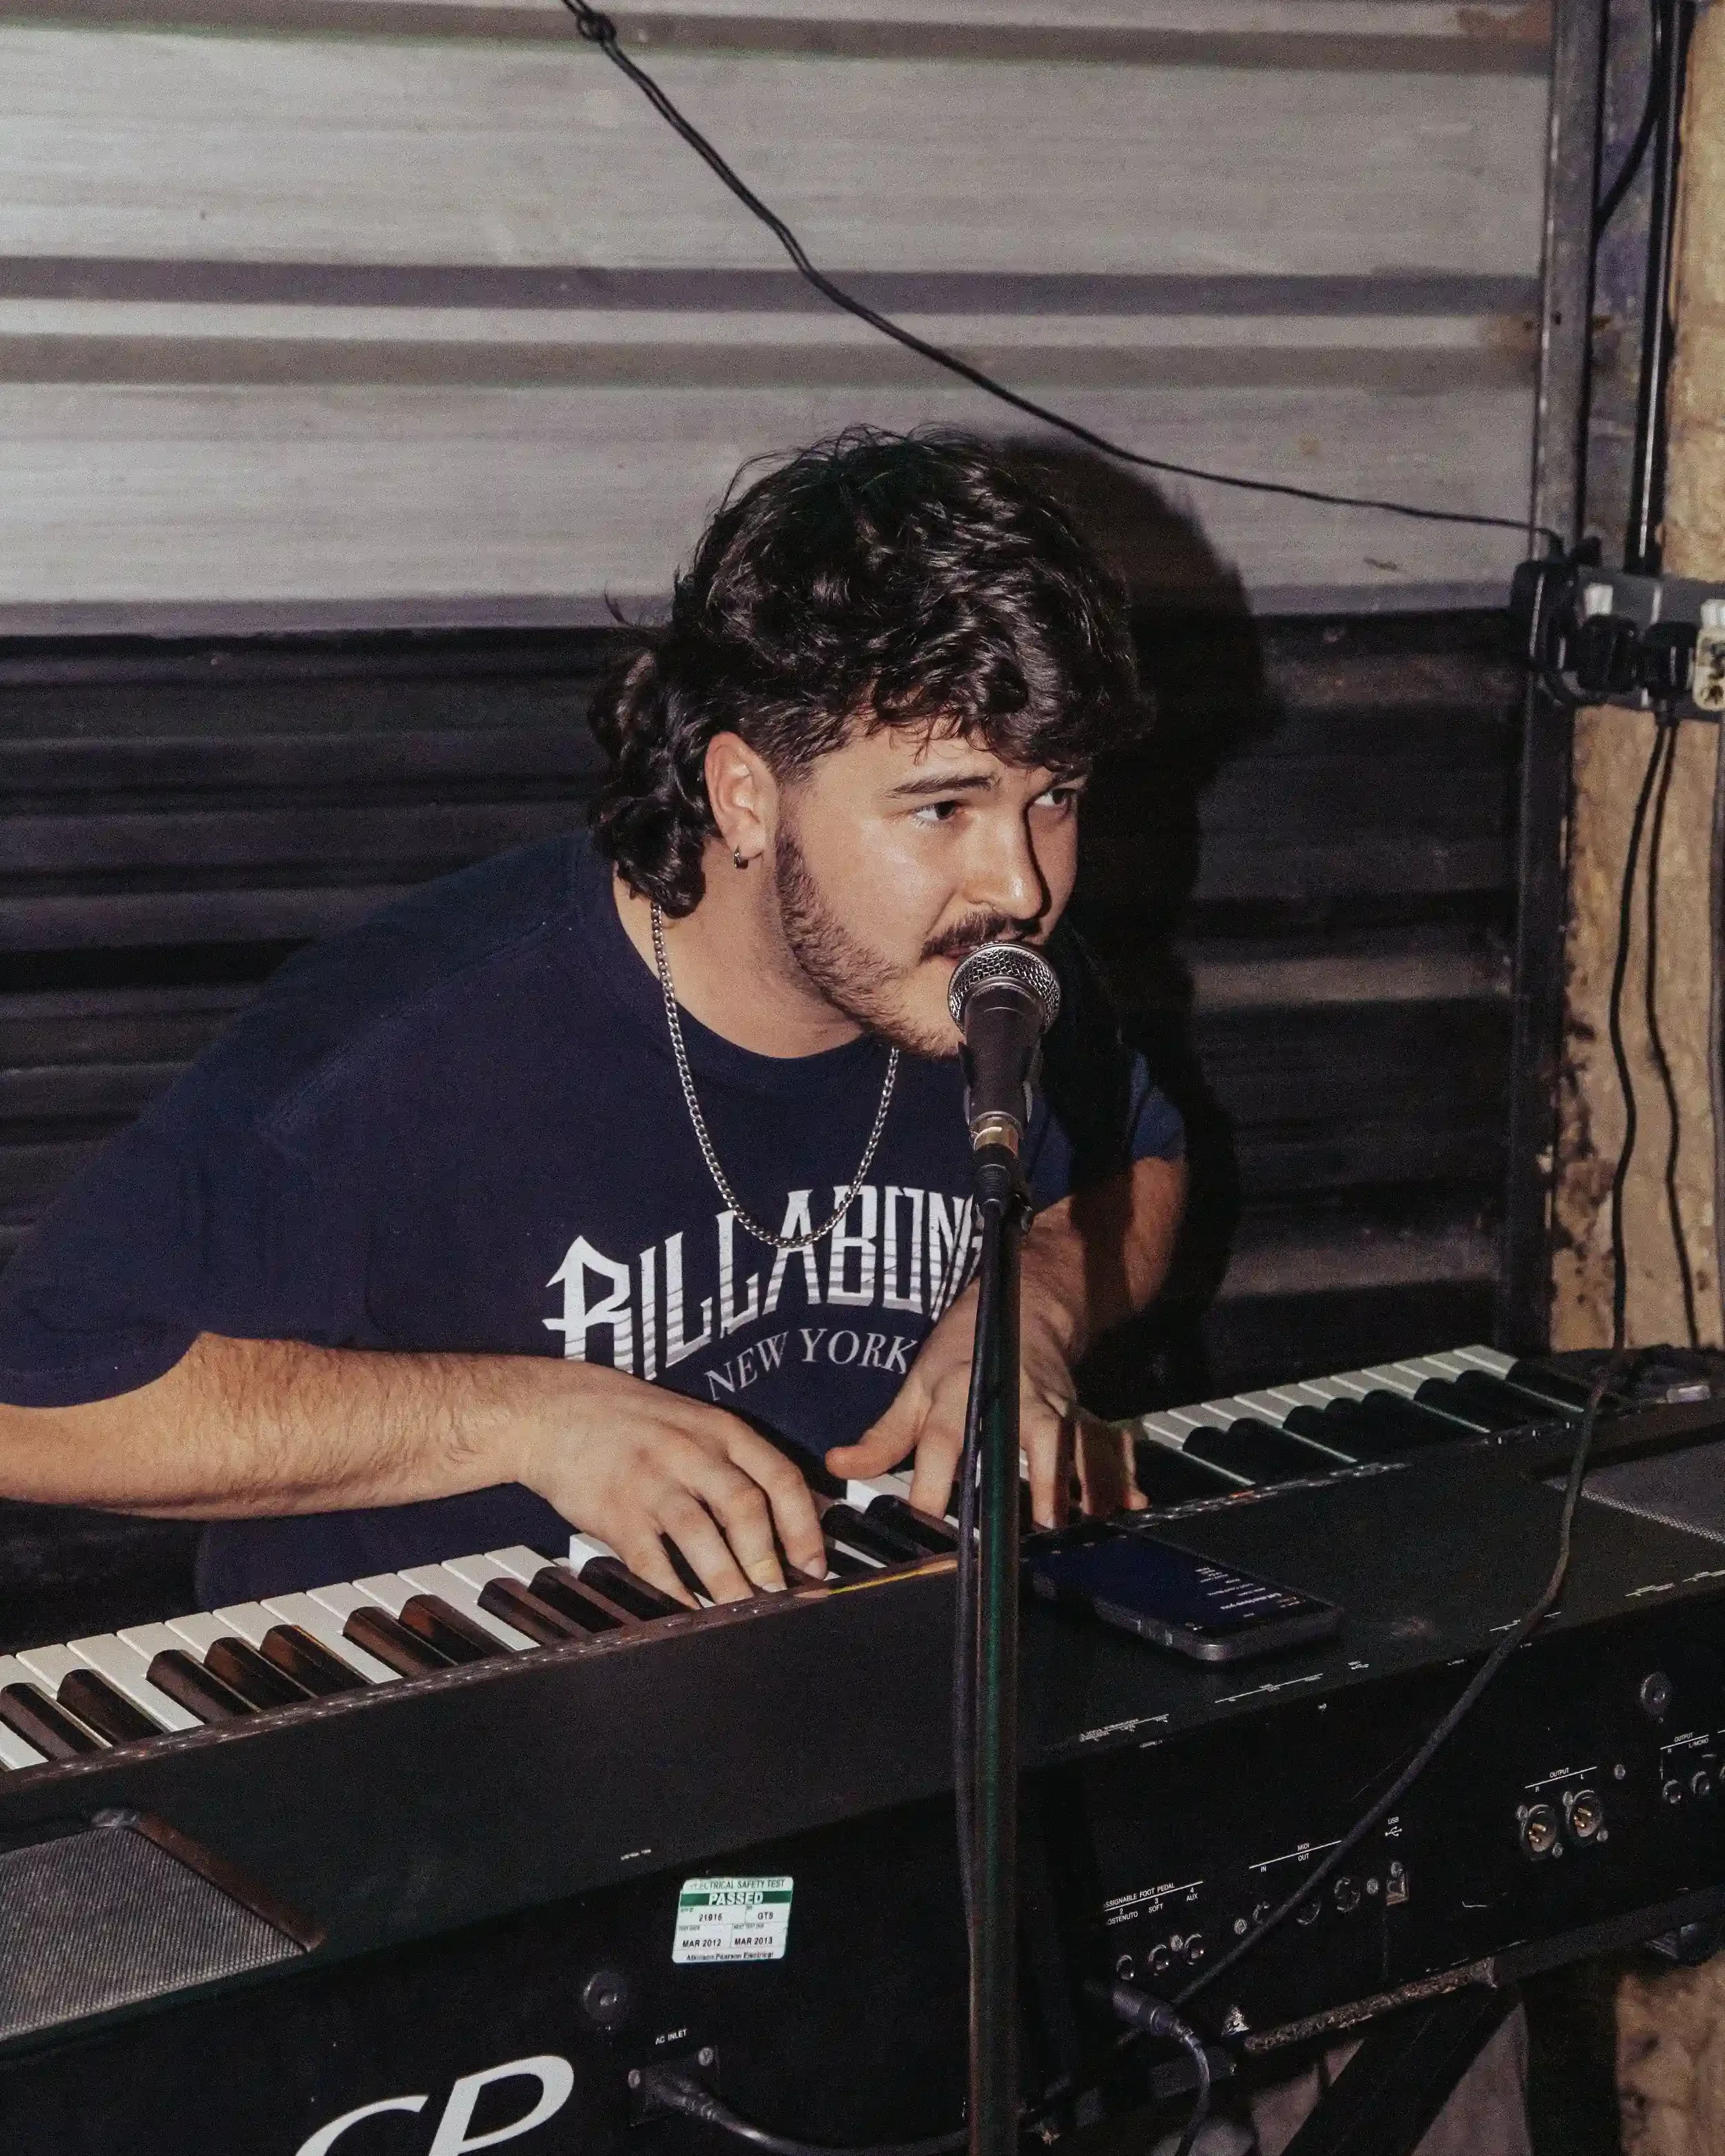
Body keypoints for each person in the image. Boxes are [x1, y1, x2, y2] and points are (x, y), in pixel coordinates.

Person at [0, 429, 1187, 1609]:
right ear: (744, 794)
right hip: (431, 1723)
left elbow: (1140, 1161)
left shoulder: (991, 975)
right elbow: (26, 1410)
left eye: (1056, 799)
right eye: (942, 809)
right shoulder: (415, 1038)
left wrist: (1031, 1305)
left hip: (823, 1685)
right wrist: (530, 1421)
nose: (1021, 887)